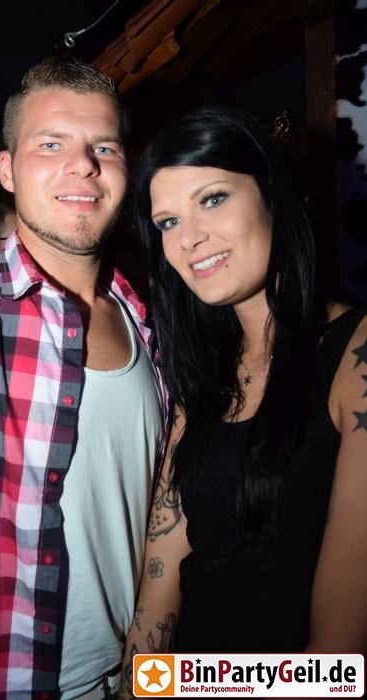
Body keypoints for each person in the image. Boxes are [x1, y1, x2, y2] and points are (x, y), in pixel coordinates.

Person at [0, 56, 169, 699]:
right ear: (7, 170)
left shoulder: (153, 323)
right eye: (51, 144)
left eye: (104, 147)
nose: (83, 165)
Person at [119, 103, 367, 693]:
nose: (189, 239)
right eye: (167, 222)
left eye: (212, 199)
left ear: (274, 194)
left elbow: (339, 663)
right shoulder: (201, 381)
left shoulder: (355, 356)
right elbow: (159, 592)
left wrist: (177, 685)